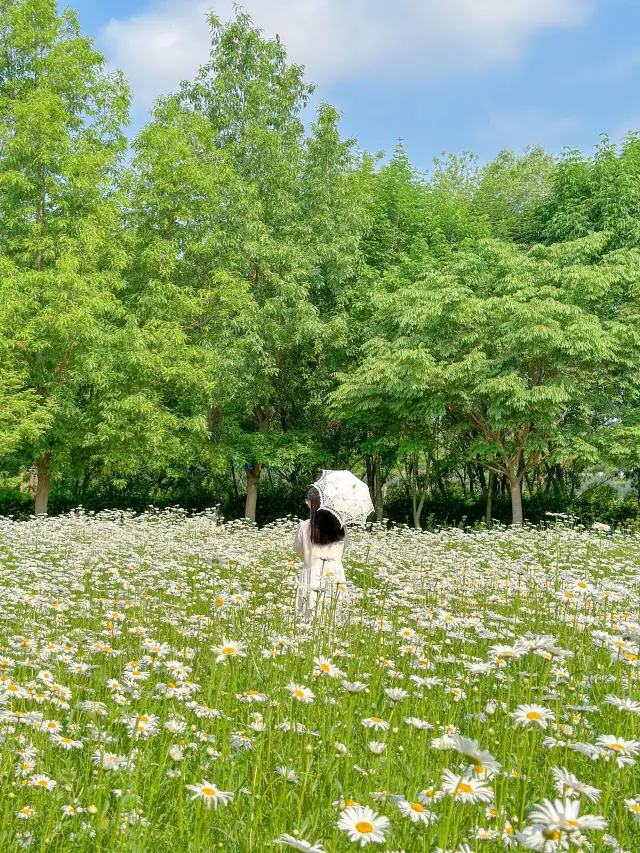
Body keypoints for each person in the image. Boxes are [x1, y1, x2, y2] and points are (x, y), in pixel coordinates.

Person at [293, 486, 348, 618]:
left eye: (308, 501)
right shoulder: (341, 526)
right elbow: (344, 548)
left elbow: (298, 550)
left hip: (310, 577)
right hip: (335, 576)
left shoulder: (303, 526)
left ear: (312, 503)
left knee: (309, 616)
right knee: (334, 617)